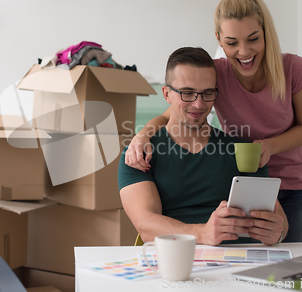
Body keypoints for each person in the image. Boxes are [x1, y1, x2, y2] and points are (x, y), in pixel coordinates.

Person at [124, 0, 302, 243]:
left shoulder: (294, 68)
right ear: (219, 40)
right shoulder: (215, 75)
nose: (244, 51)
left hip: (291, 180)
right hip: (245, 172)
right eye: (231, 42)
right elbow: (174, 110)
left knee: (288, 260)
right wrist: (141, 136)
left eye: (253, 39)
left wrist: (268, 147)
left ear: (266, 33)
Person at [118, 46, 288, 246]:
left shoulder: (244, 151)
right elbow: (145, 224)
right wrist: (202, 233)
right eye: (187, 93)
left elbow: (278, 220)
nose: (199, 105)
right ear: (166, 94)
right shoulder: (139, 154)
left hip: (238, 264)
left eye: (207, 93)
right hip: (172, 263)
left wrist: (278, 232)